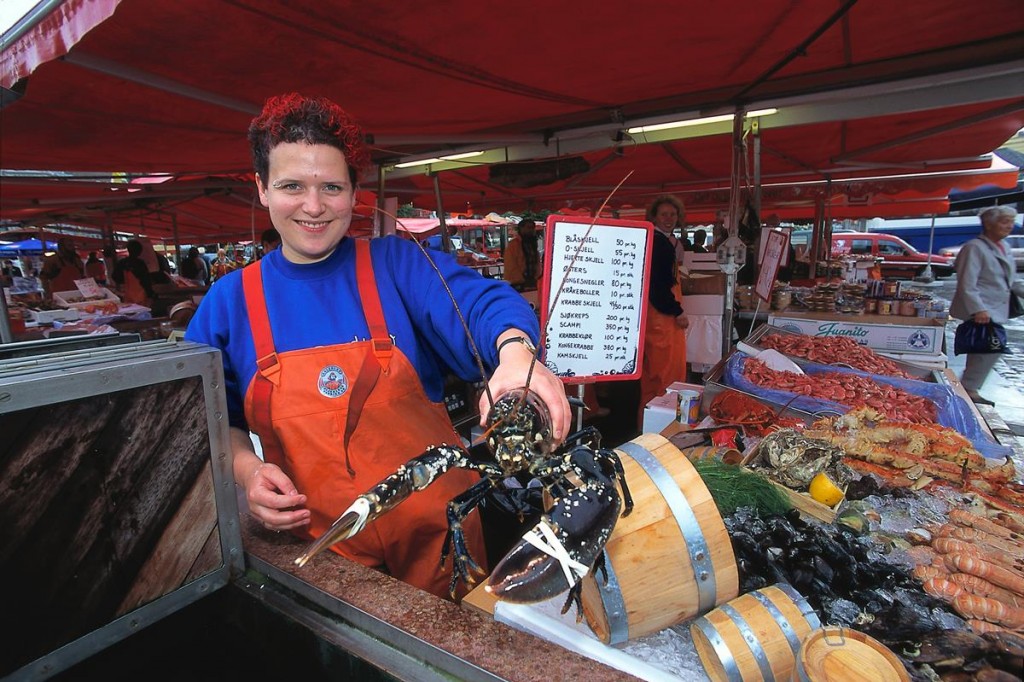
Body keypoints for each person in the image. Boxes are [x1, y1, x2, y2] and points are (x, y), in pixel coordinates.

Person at [185, 93, 570, 599]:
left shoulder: (398, 265)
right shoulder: (228, 303)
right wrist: (246, 470)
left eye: (331, 187)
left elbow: (483, 303)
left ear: (353, 191)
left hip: (442, 538)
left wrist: (517, 353)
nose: (314, 206)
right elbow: (213, 420)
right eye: (291, 186)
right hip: (325, 552)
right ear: (261, 189)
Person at [949, 206, 1024, 405]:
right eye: (1004, 222)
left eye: (1010, 222)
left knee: (986, 350)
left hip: (996, 308)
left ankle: (969, 388)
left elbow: (1012, 281)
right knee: (988, 349)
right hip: (982, 310)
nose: (1009, 226)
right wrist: (978, 308)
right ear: (989, 224)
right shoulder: (974, 247)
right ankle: (968, 389)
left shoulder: (1004, 247)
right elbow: (967, 282)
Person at [639, 195, 689, 423]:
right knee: (668, 378)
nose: (669, 218)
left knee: (651, 376)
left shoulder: (655, 240)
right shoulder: (661, 244)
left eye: (673, 214)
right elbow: (657, 285)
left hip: (651, 319)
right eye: (664, 214)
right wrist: (676, 311)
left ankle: (644, 424)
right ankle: (665, 428)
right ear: (654, 217)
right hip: (662, 319)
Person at [111, 239, 156, 306]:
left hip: (127, 295)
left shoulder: (122, 263)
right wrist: (150, 294)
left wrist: (124, 282)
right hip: (141, 296)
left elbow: (115, 277)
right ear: (140, 251)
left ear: (128, 250)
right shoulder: (140, 263)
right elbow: (146, 281)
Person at [503, 219, 540, 291]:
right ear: (521, 228)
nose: (531, 230)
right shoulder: (513, 244)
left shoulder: (532, 244)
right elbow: (511, 265)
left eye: (533, 228)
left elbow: (536, 262)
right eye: (529, 227)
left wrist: (536, 278)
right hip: (517, 283)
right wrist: (522, 280)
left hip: (531, 281)